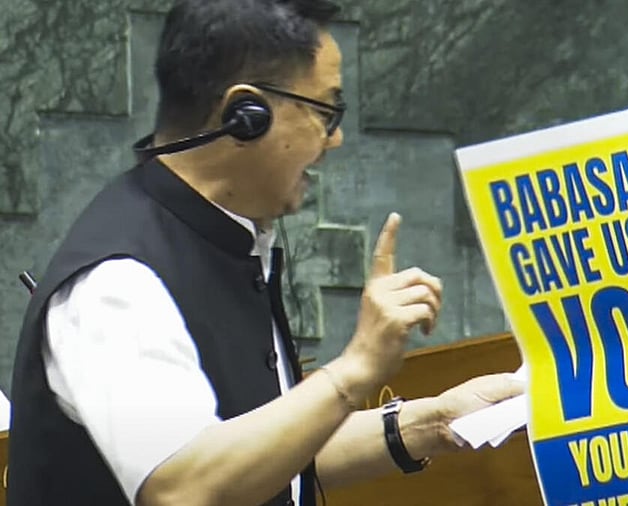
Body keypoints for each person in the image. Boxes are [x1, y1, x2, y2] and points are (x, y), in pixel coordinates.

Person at [7, 1, 524, 505]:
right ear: (245, 114)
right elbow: (186, 488)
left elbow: (268, 455)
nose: (337, 138)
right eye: (326, 111)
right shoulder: (118, 282)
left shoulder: (226, 241)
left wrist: (435, 421)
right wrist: (356, 368)